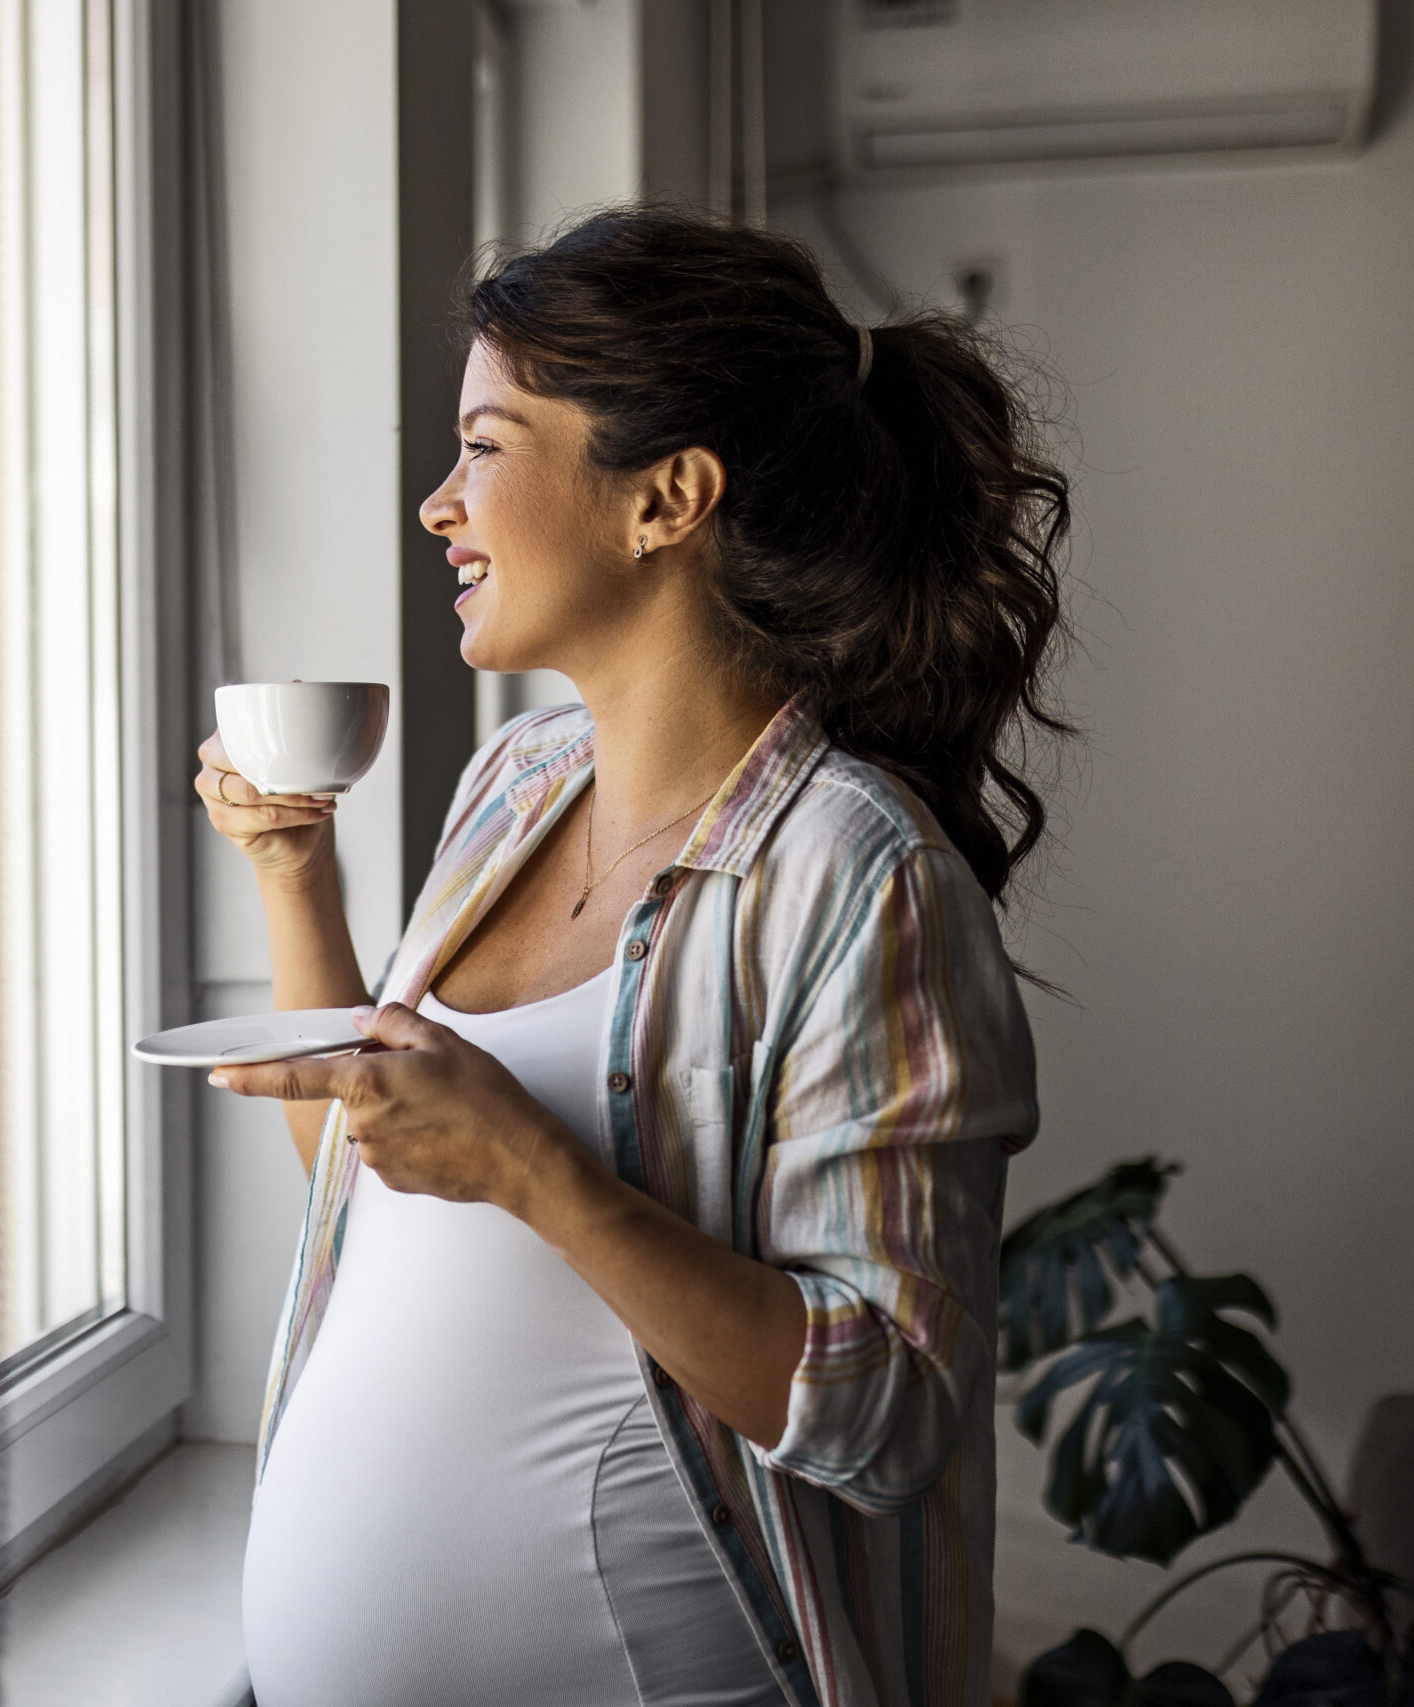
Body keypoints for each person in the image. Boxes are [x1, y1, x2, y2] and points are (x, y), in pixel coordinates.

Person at [200, 206, 1068, 1707]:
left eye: (483, 446)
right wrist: (294, 877)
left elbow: (890, 1409)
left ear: (667, 497)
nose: (437, 506)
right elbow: (383, 1189)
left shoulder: (860, 878)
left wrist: (544, 1173)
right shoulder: (515, 788)